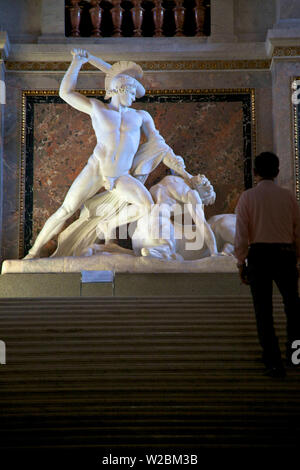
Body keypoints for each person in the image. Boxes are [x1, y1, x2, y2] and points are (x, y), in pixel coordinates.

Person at [25, 48, 190, 259]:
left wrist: (183, 171)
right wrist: (77, 63)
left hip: (121, 176)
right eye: (131, 92)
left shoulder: (141, 116)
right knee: (66, 210)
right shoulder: (98, 109)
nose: (133, 97)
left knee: (147, 205)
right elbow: (65, 93)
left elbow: (159, 144)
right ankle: (33, 253)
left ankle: (109, 224)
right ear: (119, 89)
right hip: (96, 169)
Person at [234, 152, 300, 378]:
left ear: (254, 173)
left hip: (259, 255)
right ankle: (295, 358)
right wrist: (297, 258)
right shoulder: (289, 197)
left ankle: (273, 363)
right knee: (293, 309)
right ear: (277, 172)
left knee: (263, 312)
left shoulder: (248, 198)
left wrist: (241, 261)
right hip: (285, 254)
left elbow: (242, 234)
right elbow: (297, 231)